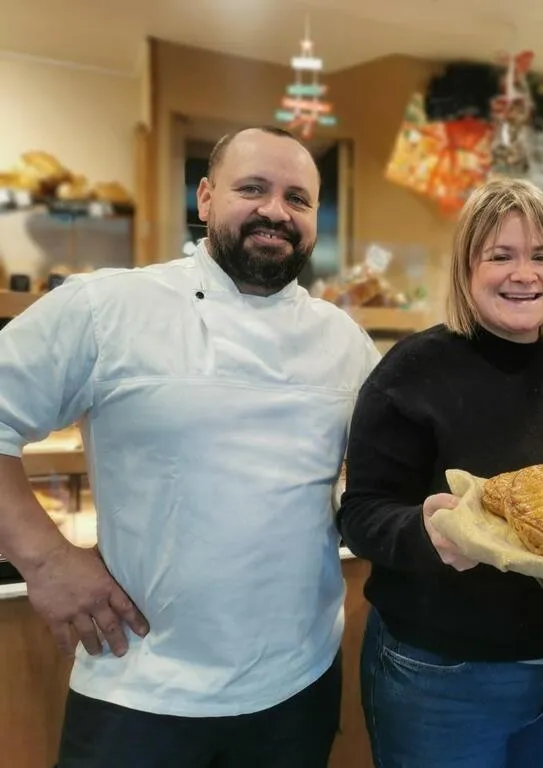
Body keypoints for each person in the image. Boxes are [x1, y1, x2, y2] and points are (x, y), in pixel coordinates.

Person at [0, 126, 379, 768]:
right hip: (138, 689)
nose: (275, 211)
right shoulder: (109, 305)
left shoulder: (343, 341)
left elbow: (393, 470)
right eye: (252, 188)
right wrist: (44, 560)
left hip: (297, 686)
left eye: (298, 199)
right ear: (204, 198)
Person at [337, 177, 543, 767]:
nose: (525, 274)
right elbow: (360, 514)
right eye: (501, 256)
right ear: (466, 269)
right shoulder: (413, 369)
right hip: (440, 675)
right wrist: (425, 531)